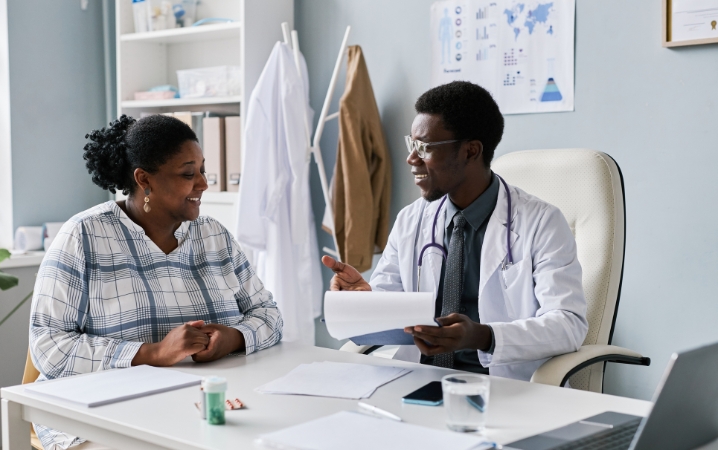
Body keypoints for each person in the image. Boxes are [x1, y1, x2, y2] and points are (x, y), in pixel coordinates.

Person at [29, 115, 282, 450]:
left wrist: (232, 338)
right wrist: (152, 353)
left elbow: (269, 315)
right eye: (189, 174)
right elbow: (49, 346)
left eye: (203, 170)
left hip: (196, 403)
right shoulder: (84, 236)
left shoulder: (213, 235)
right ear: (144, 179)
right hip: (101, 414)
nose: (204, 183)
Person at [322, 81, 587, 382]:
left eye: (425, 148)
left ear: (471, 151)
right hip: (420, 379)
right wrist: (366, 300)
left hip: (502, 386)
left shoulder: (542, 223)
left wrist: (482, 336)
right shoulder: (411, 220)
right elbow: (392, 307)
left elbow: (568, 324)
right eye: (412, 144)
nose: (412, 159)